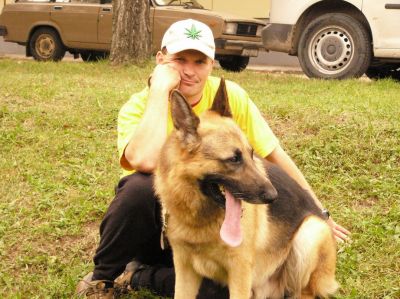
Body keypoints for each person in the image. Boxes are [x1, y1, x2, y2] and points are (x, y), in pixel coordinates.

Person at [76, 19, 350, 298]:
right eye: (179, 60)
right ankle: (103, 278)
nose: (190, 71)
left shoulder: (230, 96)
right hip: (159, 221)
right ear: (160, 60)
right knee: (139, 187)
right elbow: (144, 160)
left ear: (211, 64)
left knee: (217, 292)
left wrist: (319, 211)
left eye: (200, 61)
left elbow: (274, 155)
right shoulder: (138, 106)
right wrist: (160, 92)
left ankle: (141, 275)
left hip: (215, 225)